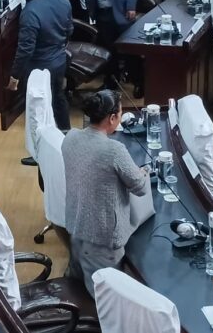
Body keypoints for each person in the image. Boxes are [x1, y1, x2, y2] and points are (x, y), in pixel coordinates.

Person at [63, 90, 149, 295]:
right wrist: (143, 172)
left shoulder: (70, 136)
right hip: (102, 241)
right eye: (119, 114)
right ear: (112, 118)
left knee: (77, 290)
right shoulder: (114, 150)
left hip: (76, 230)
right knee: (104, 301)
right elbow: (141, 188)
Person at [7, 0, 73, 131]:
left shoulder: (30, 12)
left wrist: (15, 76)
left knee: (39, 110)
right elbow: (69, 29)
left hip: (39, 68)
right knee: (58, 98)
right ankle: (66, 134)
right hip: (60, 61)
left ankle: (41, 144)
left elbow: (25, 50)